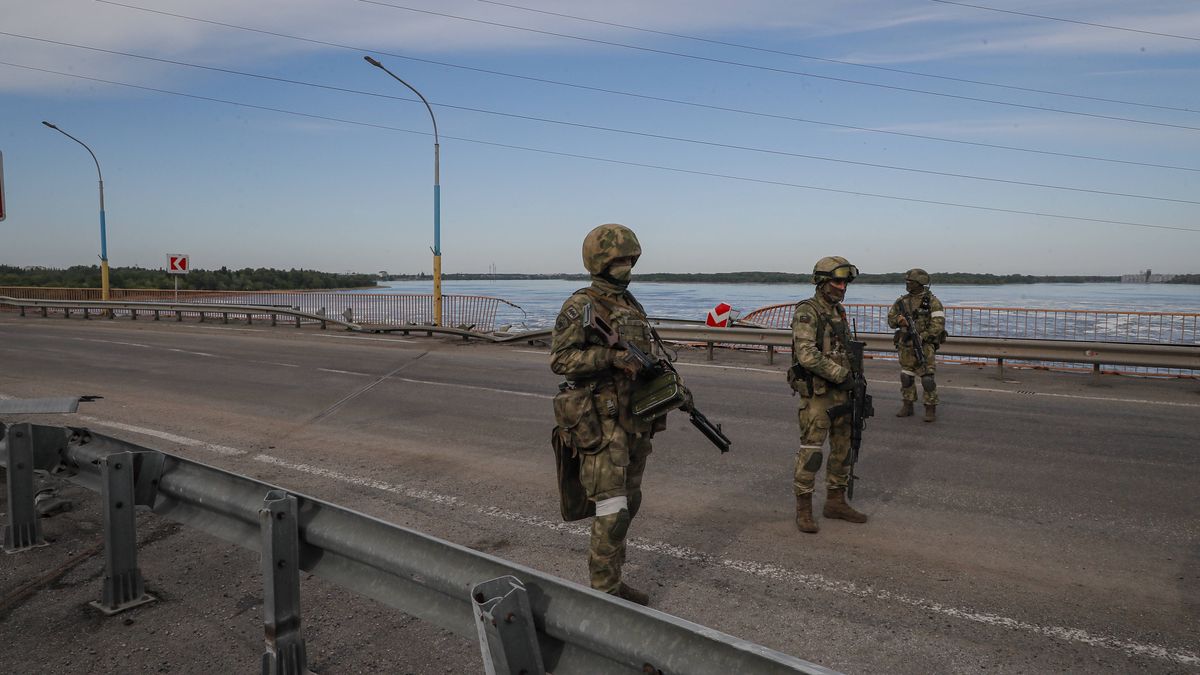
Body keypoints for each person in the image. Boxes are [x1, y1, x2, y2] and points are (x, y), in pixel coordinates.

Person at [549, 223, 665, 605]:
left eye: (630, 257)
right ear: (599, 260)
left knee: (629, 505)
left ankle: (614, 583)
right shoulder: (581, 304)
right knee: (612, 511)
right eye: (618, 258)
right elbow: (561, 359)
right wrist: (613, 358)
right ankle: (603, 598)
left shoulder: (631, 303)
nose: (626, 264)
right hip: (601, 424)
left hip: (635, 422)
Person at [787, 256, 869, 534]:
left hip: (843, 393)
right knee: (811, 454)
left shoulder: (838, 312)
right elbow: (806, 354)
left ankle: (835, 502)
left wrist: (855, 379)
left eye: (845, 281)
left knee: (843, 450)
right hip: (819, 395)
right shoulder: (808, 311)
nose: (842, 286)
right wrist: (842, 375)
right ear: (822, 282)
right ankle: (804, 510)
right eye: (837, 280)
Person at [887, 268, 946, 422]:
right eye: (906, 281)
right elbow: (890, 321)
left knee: (927, 379)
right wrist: (899, 321)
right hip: (906, 345)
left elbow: (938, 325)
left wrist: (922, 336)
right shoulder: (901, 301)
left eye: (910, 281)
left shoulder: (932, 302)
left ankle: (930, 408)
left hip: (924, 345)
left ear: (920, 282)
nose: (907, 284)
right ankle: (908, 405)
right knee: (906, 376)